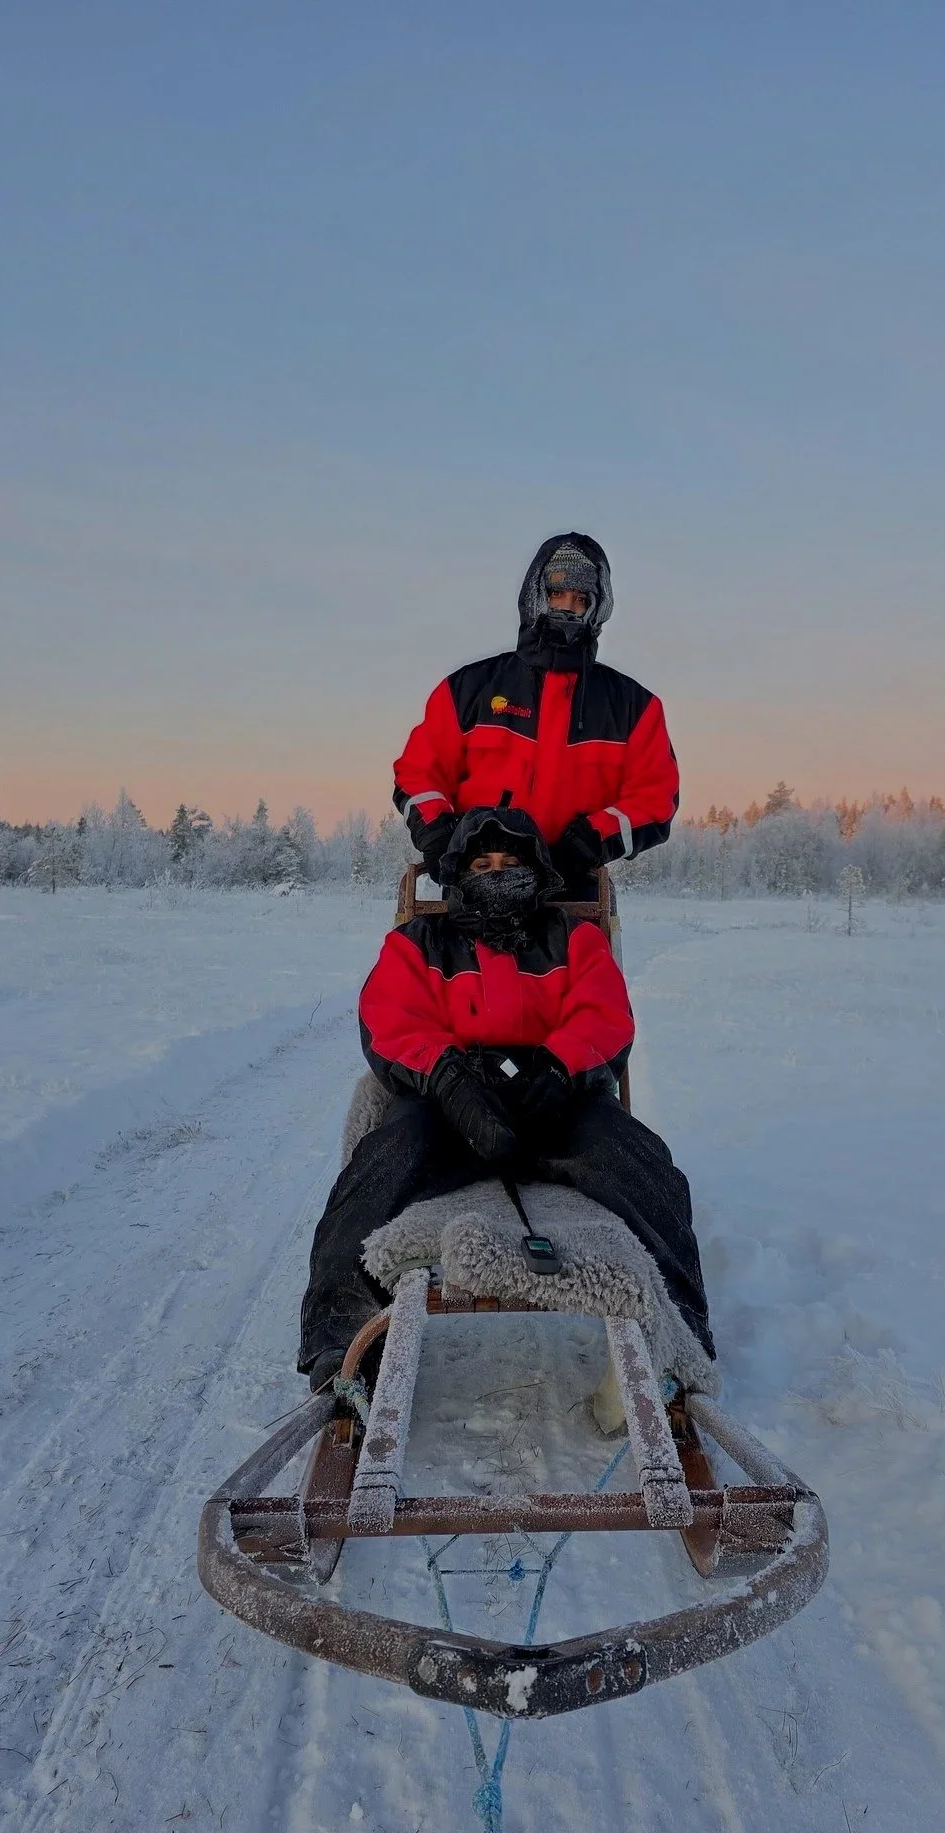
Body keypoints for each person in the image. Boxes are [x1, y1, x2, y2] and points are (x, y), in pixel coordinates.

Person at [298, 806, 713, 1390]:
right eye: (482, 864)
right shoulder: (417, 942)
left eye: (511, 862)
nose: (496, 875)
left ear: (537, 871)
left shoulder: (575, 938)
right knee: (379, 1165)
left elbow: (605, 1015)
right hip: (448, 1106)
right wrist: (448, 1078)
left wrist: (558, 1067)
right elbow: (390, 1019)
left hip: (556, 1100)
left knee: (644, 1165)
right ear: (458, 875)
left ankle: (681, 1341)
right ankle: (339, 1343)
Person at [393, 533, 679, 897]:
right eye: (556, 593)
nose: (567, 606)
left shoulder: (634, 707)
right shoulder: (468, 689)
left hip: (573, 890)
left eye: (580, 599)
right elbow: (418, 772)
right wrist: (437, 832)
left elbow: (657, 798)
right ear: (535, 595)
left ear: (596, 608)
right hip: (476, 884)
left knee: (588, 958)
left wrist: (595, 836)